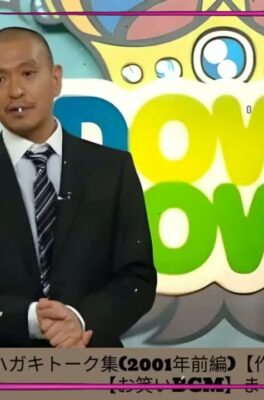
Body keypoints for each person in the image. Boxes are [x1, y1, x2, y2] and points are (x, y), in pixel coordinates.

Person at [0, 27, 157, 347]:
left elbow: (137, 279)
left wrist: (81, 319)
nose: (15, 90)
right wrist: (30, 319)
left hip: (92, 361)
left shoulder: (112, 168)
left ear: (55, 79)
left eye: (28, 73)